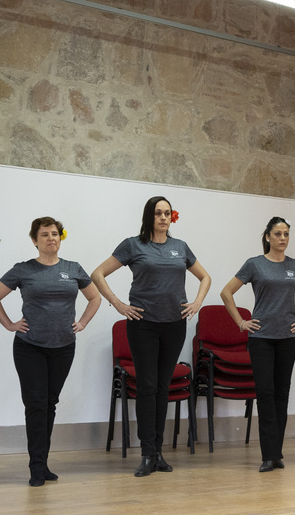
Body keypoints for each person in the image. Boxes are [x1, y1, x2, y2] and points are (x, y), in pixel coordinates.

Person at [91, 196, 212, 477]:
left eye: (167, 213)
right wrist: (118, 303)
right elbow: (98, 274)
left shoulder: (180, 247)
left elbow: (205, 277)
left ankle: (158, 453)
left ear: (172, 217)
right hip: (143, 324)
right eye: (158, 213)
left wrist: (196, 303)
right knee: (146, 386)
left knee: (161, 387)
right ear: (149, 216)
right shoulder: (133, 245)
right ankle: (146, 453)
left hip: (174, 325)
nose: (163, 218)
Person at [0, 216, 101, 486]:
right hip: (30, 348)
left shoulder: (74, 268)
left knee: (50, 405)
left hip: (63, 347)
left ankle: (44, 462)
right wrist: (9, 324)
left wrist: (82, 322)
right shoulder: (23, 270)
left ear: (61, 238)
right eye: (45, 234)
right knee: (36, 405)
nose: (51, 238)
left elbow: (94, 298)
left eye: (55, 234)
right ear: (35, 241)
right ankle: (36, 467)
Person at [220, 217, 295, 473]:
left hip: (287, 338)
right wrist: (241, 322)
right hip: (261, 339)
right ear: (267, 237)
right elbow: (226, 292)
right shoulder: (255, 264)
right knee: (265, 394)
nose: (282, 239)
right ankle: (267, 455)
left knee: (282, 395)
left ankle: (277, 453)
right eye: (277, 234)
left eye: (286, 234)